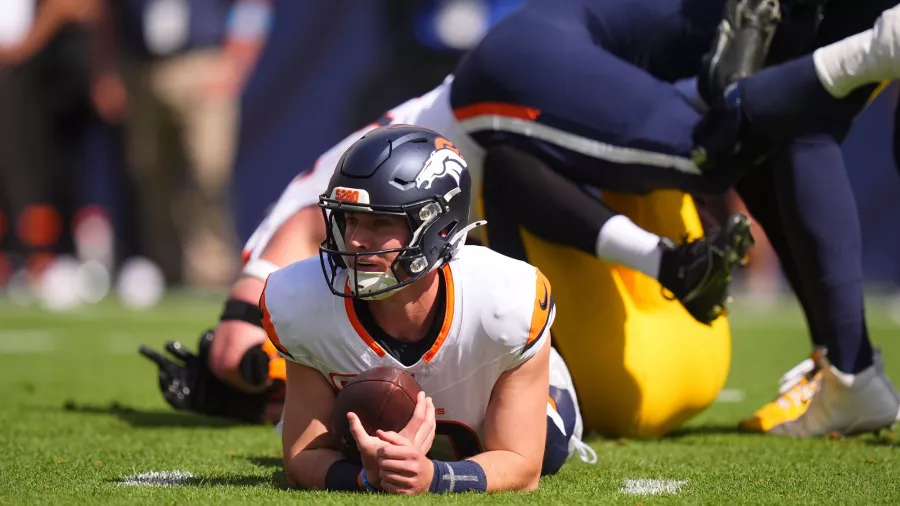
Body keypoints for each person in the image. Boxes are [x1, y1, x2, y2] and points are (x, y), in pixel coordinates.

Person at [141, 0, 900, 437]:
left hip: (497, 85)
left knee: (710, 153)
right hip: (552, 85)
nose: (361, 247)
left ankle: (871, 47)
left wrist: (242, 368)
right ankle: (852, 373)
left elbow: (248, 326)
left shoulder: (313, 236)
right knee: (783, 129)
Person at [262, 125, 594, 493]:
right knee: (349, 441)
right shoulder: (305, 303)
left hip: (496, 399)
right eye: (349, 218)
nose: (354, 239)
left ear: (438, 228)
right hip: (377, 427)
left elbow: (520, 464)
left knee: (547, 449)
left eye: (380, 221)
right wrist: (363, 477)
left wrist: (434, 477)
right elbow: (303, 458)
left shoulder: (504, 302)